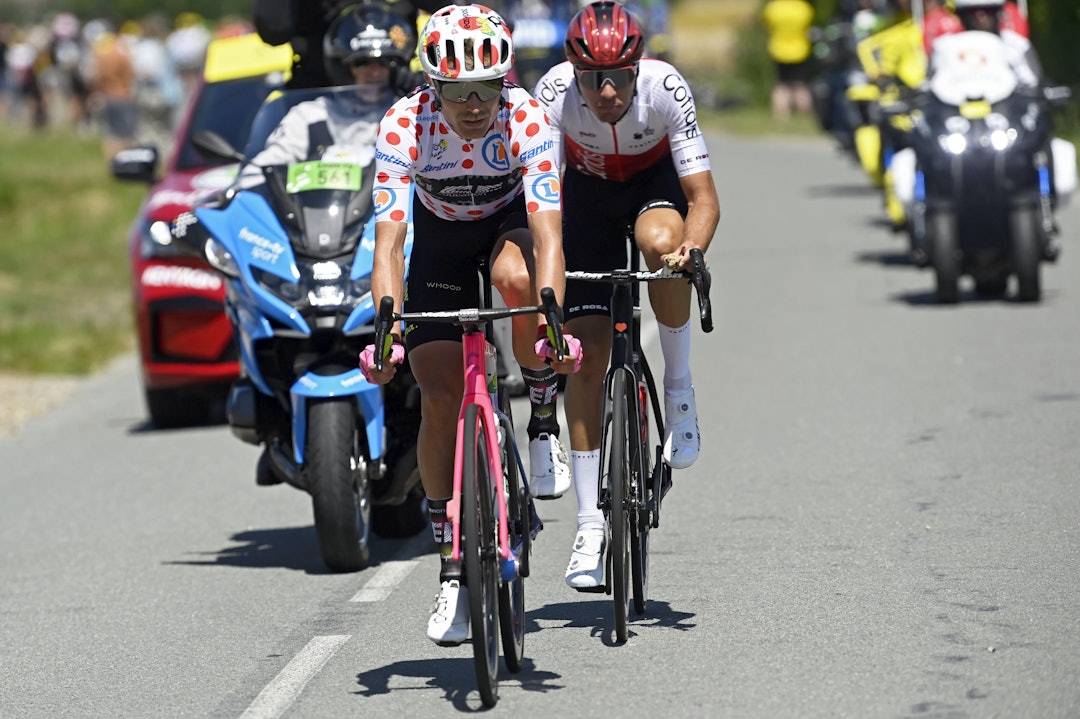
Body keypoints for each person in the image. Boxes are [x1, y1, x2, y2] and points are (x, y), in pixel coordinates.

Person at [359, 4, 578, 645]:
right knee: (437, 395)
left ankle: (542, 417)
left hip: (508, 228)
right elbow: (389, 246)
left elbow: (548, 235)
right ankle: (451, 561)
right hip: (440, 245)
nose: (475, 105)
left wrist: (552, 323)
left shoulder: (526, 116)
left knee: (517, 279)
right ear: (433, 86)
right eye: (458, 92)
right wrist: (386, 333)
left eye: (487, 88)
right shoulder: (404, 123)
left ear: (504, 81)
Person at [532, 1, 719, 589]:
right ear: (574, 74)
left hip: (652, 190)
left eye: (618, 77)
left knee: (663, 244)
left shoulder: (666, 89)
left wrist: (690, 251)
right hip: (586, 201)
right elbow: (542, 195)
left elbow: (703, 198)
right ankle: (590, 524)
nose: (607, 91)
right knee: (586, 358)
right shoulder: (552, 94)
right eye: (592, 79)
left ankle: (679, 390)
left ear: (637, 69)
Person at [252, 0, 445, 89]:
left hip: (397, 90)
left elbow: (455, 11)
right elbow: (273, 29)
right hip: (322, 98)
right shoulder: (307, 117)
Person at [761, 0, 816, 120]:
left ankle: (781, 116)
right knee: (800, 84)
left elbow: (767, 24)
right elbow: (808, 25)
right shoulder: (803, 8)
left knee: (781, 85)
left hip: (779, 50)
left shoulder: (774, 7)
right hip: (800, 50)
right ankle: (804, 115)